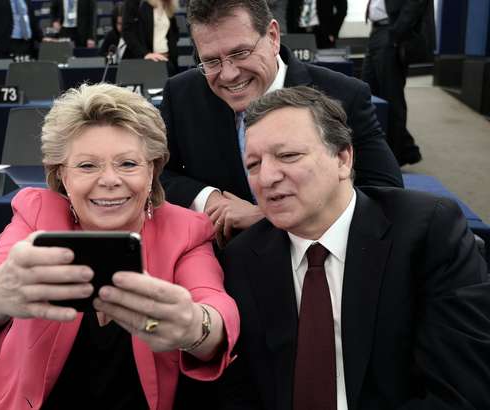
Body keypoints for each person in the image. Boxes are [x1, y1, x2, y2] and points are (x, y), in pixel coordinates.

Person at [0, 83, 240, 409]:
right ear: (61, 174)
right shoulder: (38, 213)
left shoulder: (186, 230)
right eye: (88, 165)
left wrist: (194, 326)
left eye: (128, 164)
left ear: (153, 171)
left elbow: (217, 308)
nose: (109, 180)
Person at [213, 85, 490, 409]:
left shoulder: (429, 232)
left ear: (343, 158)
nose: (267, 177)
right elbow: (238, 391)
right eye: (253, 165)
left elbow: (461, 390)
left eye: (288, 155)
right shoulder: (242, 257)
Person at [160, 0, 402, 246]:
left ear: (273, 37)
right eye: (211, 61)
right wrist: (210, 200)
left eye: (241, 53)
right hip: (221, 264)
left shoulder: (343, 95)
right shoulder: (182, 94)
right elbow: (155, 173)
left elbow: (385, 194)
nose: (229, 74)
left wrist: (268, 214)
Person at [362, 0, 435, 166]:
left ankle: (394, 159)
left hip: (391, 32)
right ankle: (407, 149)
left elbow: (415, 4)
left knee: (391, 97)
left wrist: (397, 32)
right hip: (377, 31)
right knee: (368, 94)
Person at [122, 0, 179, 73]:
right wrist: (145, 54)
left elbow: (174, 33)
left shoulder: (168, 4)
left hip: (167, 60)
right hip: (147, 62)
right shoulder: (138, 3)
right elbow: (127, 32)